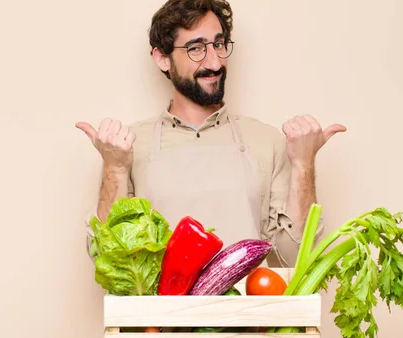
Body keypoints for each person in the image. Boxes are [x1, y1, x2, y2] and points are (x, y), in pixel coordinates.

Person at [76, 0, 346, 267]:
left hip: (247, 310)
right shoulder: (127, 146)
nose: (215, 62)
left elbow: (297, 258)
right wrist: (115, 168)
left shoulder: (268, 141)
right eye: (196, 48)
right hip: (160, 312)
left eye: (218, 44)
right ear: (162, 59)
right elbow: (107, 259)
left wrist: (303, 164)